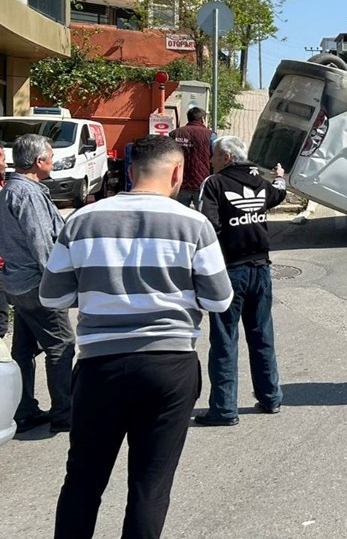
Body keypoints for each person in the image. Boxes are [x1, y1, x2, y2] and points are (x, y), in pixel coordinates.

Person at [40, 135, 233, 539]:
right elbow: (219, 299)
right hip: (170, 365)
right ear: (177, 172)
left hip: (99, 366)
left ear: (130, 172)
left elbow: (52, 295)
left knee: (83, 482)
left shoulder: (81, 220)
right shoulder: (194, 224)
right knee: (149, 487)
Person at [194, 136, 288, 427]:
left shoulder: (214, 184)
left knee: (224, 340)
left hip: (230, 270)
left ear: (225, 157)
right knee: (262, 335)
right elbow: (278, 194)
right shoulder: (260, 181)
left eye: (213, 156)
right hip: (261, 269)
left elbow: (206, 226)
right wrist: (281, 178)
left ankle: (223, 410)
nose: (210, 161)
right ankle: (270, 397)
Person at [0, 134, 74, 433]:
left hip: (17, 282)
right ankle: (64, 412)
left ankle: (24, 408)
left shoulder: (13, 190)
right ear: (38, 162)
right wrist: (57, 283)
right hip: (36, 283)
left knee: (24, 347)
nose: (53, 161)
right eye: (51, 156)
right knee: (62, 344)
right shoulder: (27, 194)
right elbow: (42, 244)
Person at [169, 107, 215, 208]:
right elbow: (215, 157)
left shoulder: (174, 134)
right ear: (203, 119)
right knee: (203, 216)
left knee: (179, 215)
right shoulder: (210, 135)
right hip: (202, 183)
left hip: (179, 182)